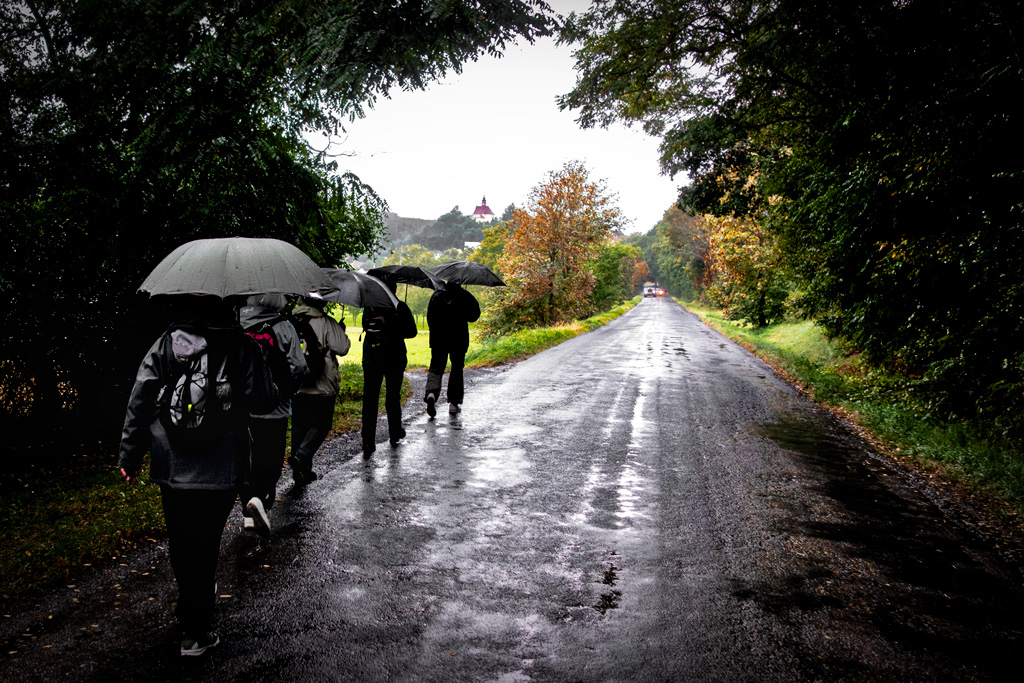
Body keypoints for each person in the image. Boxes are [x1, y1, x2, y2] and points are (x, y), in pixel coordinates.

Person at [118, 296, 278, 656]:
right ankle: (195, 629)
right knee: (205, 544)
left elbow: (141, 396)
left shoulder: (167, 341)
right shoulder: (240, 343)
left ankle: (191, 607)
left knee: (181, 542)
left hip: (171, 464)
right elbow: (264, 400)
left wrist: (130, 454)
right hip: (221, 465)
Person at [239, 294, 306, 536]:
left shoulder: (237, 323)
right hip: (275, 406)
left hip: (243, 405)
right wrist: (289, 390)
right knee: (272, 457)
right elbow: (298, 366)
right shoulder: (283, 326)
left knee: (246, 457)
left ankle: (247, 510)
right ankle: (260, 500)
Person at [289, 295, 350, 484]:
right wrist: (340, 330)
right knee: (322, 425)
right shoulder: (326, 322)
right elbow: (343, 348)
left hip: (297, 383)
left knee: (299, 428)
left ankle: (301, 472)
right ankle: (302, 456)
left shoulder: (290, 321)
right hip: (322, 384)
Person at [360, 277, 417, 457]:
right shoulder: (399, 307)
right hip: (394, 357)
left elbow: (365, 328)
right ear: (394, 290)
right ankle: (394, 432)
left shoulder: (369, 308)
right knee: (393, 396)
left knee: (370, 398)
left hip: (371, 357)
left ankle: (368, 440)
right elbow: (412, 332)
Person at [423, 282, 480, 416]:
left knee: (436, 367)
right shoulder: (465, 295)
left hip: (438, 339)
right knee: (456, 368)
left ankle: (431, 393)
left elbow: (430, 318)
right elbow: (474, 316)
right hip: (458, 338)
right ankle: (454, 403)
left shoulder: (436, 295)